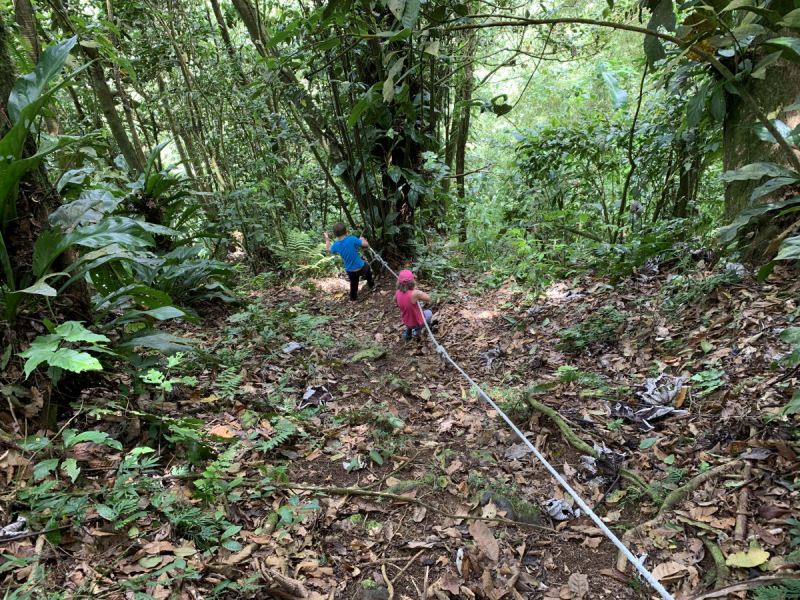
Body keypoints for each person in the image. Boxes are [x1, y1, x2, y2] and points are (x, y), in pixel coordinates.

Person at [325, 223, 375, 302]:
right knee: (368, 269)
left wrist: (327, 238)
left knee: (353, 283)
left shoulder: (336, 245)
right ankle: (372, 286)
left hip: (351, 271)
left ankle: (352, 298)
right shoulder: (352, 239)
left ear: (334, 234)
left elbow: (329, 249)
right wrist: (362, 239)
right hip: (361, 268)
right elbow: (366, 244)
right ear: (346, 231)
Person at [395, 269, 437, 339]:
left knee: (409, 322)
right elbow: (428, 298)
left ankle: (408, 334)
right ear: (413, 282)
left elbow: (395, 300)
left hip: (406, 321)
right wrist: (417, 291)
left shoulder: (397, 292)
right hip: (417, 323)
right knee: (429, 312)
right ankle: (417, 331)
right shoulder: (415, 293)